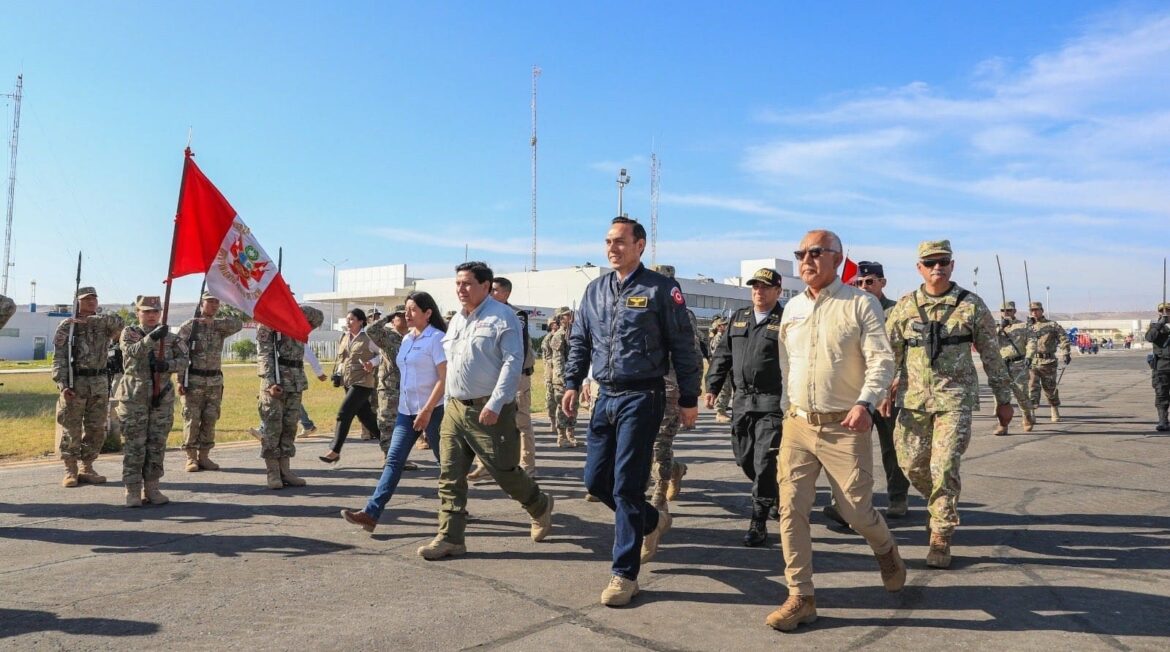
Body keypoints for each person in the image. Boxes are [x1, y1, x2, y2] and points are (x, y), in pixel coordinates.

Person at [768, 231, 904, 632]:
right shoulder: (792, 308)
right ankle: (801, 596)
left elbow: (882, 360)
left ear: (837, 258)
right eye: (800, 253)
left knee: (855, 510)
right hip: (798, 424)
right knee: (791, 507)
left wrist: (865, 403)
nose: (806, 260)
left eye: (816, 253)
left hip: (846, 424)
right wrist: (787, 409)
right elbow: (786, 363)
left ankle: (885, 547)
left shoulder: (860, 304)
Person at [562, 217, 701, 607]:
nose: (612, 248)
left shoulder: (660, 289)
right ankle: (652, 521)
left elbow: (683, 346)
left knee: (627, 485)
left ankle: (624, 574)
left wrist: (689, 398)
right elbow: (580, 340)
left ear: (640, 246)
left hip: (643, 395)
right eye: (608, 241)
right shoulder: (595, 290)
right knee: (595, 481)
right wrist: (572, 381)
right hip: (605, 395)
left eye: (620, 241)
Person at [886, 239, 1014, 570]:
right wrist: (883, 391)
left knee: (943, 466)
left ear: (952, 265)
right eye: (930, 263)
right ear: (919, 268)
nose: (937, 268)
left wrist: (1003, 399)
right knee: (911, 465)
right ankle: (940, 506)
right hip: (913, 400)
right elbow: (889, 354)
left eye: (943, 262)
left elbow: (991, 355)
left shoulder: (971, 305)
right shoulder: (905, 306)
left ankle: (941, 533)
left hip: (954, 400)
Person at [417, 261, 554, 560]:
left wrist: (495, 402)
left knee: (503, 472)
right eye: (458, 283)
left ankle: (539, 505)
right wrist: (443, 403)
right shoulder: (457, 320)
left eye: (467, 283)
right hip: (455, 409)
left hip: (489, 410)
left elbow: (512, 362)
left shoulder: (503, 317)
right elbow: (453, 365)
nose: (461, 289)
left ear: (486, 285)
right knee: (450, 474)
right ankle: (450, 537)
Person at [341, 292, 447, 531]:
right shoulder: (407, 339)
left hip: (433, 411)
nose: (407, 314)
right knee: (393, 461)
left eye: (412, 310)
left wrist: (427, 410)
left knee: (446, 462)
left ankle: (455, 508)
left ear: (428, 313)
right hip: (406, 411)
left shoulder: (437, 338)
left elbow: (444, 378)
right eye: (405, 310)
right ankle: (371, 513)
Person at [704, 267, 784, 546]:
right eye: (755, 287)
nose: (759, 291)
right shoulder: (740, 317)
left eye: (765, 287)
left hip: (772, 402)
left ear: (778, 291)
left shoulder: (786, 320)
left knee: (764, 461)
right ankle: (774, 491)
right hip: (742, 402)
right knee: (745, 458)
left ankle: (758, 519)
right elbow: (722, 355)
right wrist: (712, 387)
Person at [849, 261, 911, 518]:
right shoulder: (850, 309)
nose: (863, 286)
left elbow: (909, 351)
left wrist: (895, 383)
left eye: (869, 281)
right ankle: (847, 502)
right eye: (858, 283)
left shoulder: (897, 311)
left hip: (886, 392)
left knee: (891, 448)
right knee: (850, 449)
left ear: (882, 282)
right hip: (856, 390)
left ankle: (897, 498)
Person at [116, 296, 189, 507]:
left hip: (161, 398)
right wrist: (153, 338)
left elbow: (185, 360)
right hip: (134, 398)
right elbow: (132, 352)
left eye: (155, 312)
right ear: (138, 313)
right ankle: (132, 490)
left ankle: (152, 487)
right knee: (135, 445)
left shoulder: (172, 338)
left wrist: (168, 365)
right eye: (146, 311)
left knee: (156, 444)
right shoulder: (129, 333)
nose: (151, 315)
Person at [52, 286, 124, 487]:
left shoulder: (103, 323)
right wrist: (62, 384)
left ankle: (88, 467)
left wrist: (94, 319)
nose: (91, 302)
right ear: (77, 302)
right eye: (86, 299)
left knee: (96, 428)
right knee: (71, 428)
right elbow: (59, 359)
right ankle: (70, 470)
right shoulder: (67, 326)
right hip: (76, 382)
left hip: (99, 383)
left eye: (94, 298)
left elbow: (121, 324)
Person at [646, 264, 702, 510]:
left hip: (671, 389)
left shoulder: (683, 314)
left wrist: (691, 396)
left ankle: (659, 495)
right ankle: (675, 470)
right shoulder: (642, 311)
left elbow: (693, 357)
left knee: (661, 443)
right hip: (643, 388)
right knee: (643, 442)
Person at [256, 305, 325, 489]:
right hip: (276, 381)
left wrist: (293, 309)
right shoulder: (267, 322)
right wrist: (270, 383)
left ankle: (285, 471)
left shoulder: (297, 320)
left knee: (289, 426)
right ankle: (273, 472)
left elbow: (318, 317)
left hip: (295, 380)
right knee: (273, 427)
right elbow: (264, 354)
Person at [176, 292, 243, 473]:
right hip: (194, 380)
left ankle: (204, 456)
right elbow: (180, 354)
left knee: (210, 418)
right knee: (192, 419)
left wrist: (214, 323)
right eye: (210, 301)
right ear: (201, 303)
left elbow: (238, 324)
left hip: (214, 381)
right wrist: (180, 380)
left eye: (216, 302)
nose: (214, 305)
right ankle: (191, 457)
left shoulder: (220, 326)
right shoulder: (189, 326)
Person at [319, 308, 382, 463]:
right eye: (347, 319)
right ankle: (392, 446)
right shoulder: (345, 337)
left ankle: (334, 450)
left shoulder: (368, 338)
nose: (348, 322)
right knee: (367, 419)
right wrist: (338, 373)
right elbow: (343, 359)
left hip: (363, 382)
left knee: (343, 414)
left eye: (352, 319)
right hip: (348, 381)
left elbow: (382, 354)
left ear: (361, 321)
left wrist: (372, 363)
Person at [366, 304, 406, 456]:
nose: (404, 318)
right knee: (388, 424)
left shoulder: (413, 337)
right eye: (399, 315)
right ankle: (389, 458)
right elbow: (370, 330)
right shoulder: (387, 335)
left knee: (405, 425)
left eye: (406, 315)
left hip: (408, 388)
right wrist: (387, 318)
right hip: (390, 388)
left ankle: (399, 457)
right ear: (393, 319)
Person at [1026, 301, 1071, 423]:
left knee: (1050, 388)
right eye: (1032, 310)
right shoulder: (1027, 326)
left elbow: (1063, 338)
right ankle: (1032, 412)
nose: (1034, 312)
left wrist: (1066, 352)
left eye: (1037, 310)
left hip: (1048, 361)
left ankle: (1054, 408)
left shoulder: (1052, 325)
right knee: (1032, 388)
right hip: (1032, 361)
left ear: (1042, 311)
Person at [995, 300, 1036, 434]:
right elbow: (988, 341)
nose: (1006, 313)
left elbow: (1031, 341)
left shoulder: (1024, 326)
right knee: (1001, 397)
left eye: (1009, 310)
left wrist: (1029, 356)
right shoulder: (996, 327)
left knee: (1022, 394)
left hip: (1018, 364)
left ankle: (1027, 417)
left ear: (1014, 311)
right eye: (1003, 310)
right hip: (1001, 365)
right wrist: (999, 328)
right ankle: (1003, 425)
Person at [549, 306, 585, 448]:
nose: (570, 317)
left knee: (573, 407)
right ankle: (561, 437)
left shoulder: (573, 332)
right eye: (566, 315)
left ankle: (571, 435)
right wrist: (565, 379)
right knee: (562, 407)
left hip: (572, 377)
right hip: (562, 379)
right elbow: (558, 360)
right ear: (560, 318)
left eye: (570, 314)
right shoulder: (559, 335)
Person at [1144, 302, 1170, 431]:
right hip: (1161, 366)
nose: (1165, 313)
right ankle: (1163, 421)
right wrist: (1160, 324)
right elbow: (1149, 337)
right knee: (1161, 394)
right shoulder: (1155, 326)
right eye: (1162, 311)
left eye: (1168, 310)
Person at [708, 317, 732, 422]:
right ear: (719, 327)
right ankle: (719, 412)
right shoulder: (718, 338)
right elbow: (720, 355)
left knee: (727, 390)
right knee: (723, 389)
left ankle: (723, 410)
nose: (726, 326)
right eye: (724, 325)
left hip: (727, 368)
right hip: (721, 368)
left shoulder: (724, 337)